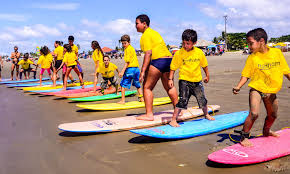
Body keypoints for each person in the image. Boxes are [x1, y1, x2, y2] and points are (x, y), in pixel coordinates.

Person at [233, 28, 290, 147]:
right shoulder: (252, 57)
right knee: (254, 113)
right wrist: (238, 86)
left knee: (273, 115)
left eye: (251, 43)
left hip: (271, 90)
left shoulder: (277, 53)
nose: (249, 46)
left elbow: (286, 71)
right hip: (256, 88)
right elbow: (246, 75)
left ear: (261, 41)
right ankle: (244, 137)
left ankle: (266, 131)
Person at [135, 14, 178, 121]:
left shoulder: (145, 35)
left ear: (144, 24)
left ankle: (149, 115)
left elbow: (148, 53)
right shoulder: (155, 33)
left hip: (159, 60)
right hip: (169, 60)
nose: (135, 26)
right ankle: (178, 110)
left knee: (147, 87)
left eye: (137, 23)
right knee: (169, 87)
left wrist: (143, 71)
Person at [168, 29, 215, 127]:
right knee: (182, 100)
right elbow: (173, 67)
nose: (185, 46)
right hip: (184, 81)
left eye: (188, 43)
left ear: (194, 43)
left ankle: (206, 114)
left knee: (202, 100)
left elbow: (204, 65)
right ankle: (173, 120)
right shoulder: (179, 53)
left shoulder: (199, 53)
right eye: (184, 43)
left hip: (197, 81)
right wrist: (170, 79)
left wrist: (207, 75)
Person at [118, 34, 143, 104]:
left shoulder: (127, 49)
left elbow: (127, 62)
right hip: (136, 69)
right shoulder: (131, 48)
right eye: (122, 43)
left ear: (129, 42)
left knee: (123, 85)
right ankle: (141, 98)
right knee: (137, 84)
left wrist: (122, 71)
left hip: (130, 70)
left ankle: (123, 100)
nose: (123, 45)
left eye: (125, 43)